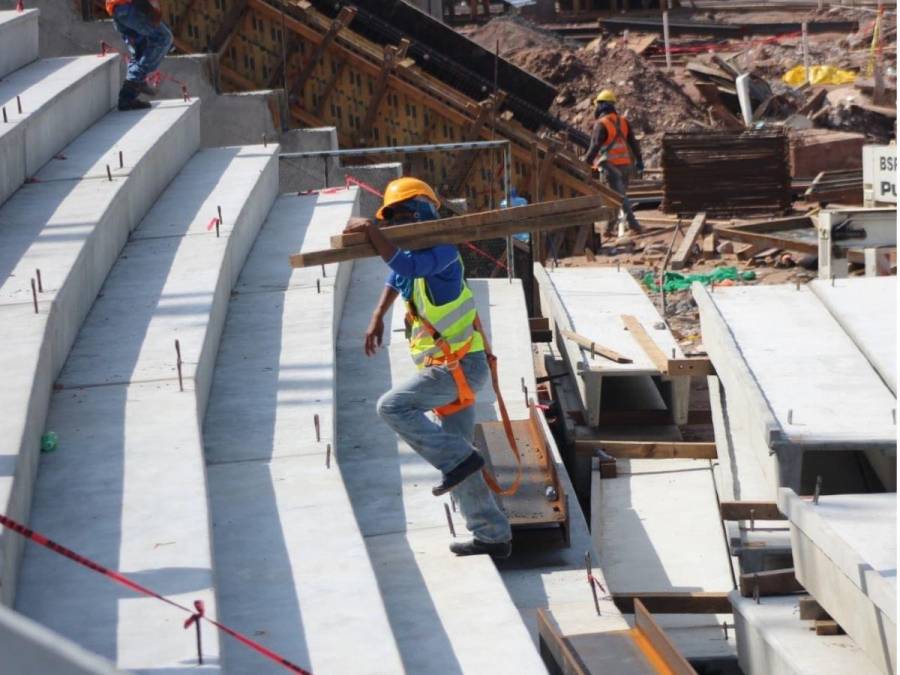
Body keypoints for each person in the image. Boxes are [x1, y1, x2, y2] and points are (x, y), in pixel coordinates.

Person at [343, 177, 513, 559]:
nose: (398, 226)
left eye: (403, 216)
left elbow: (402, 264)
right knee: (460, 459)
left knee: (393, 407)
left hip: (461, 369)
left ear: (422, 212)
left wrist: (371, 229)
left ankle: (460, 463)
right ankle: (492, 535)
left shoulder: (443, 254)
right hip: (449, 369)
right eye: (392, 220)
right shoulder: (414, 255)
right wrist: (377, 315)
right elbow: (396, 275)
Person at [583, 89, 644, 234]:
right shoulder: (623, 121)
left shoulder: (601, 123)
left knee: (619, 197)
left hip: (610, 165)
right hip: (625, 165)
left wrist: (585, 163)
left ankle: (634, 225)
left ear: (600, 105)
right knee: (616, 197)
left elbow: (595, 146)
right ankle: (608, 229)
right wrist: (639, 161)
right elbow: (634, 143)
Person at [105, 0, 173, 110]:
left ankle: (127, 99)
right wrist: (150, 10)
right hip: (131, 8)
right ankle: (135, 80)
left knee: (140, 49)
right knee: (163, 38)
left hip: (118, 10)